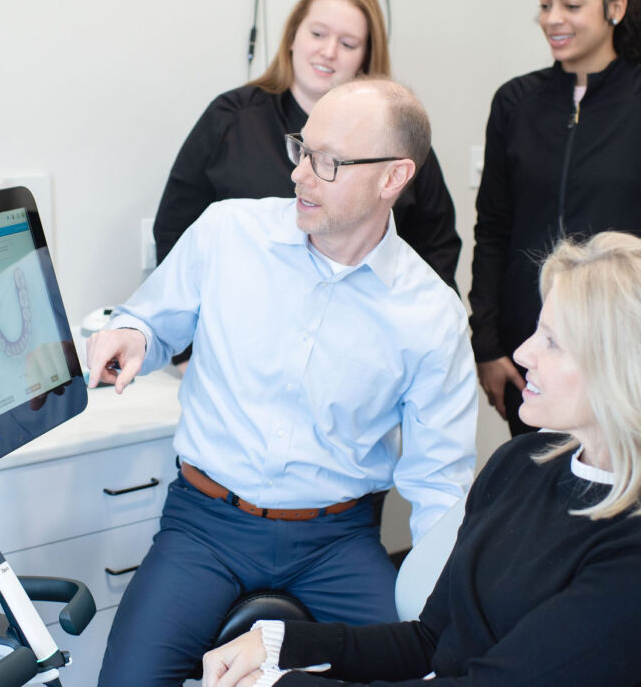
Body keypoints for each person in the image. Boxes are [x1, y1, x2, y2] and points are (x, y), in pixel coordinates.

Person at [87, 78, 477, 686]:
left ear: (393, 179)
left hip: (336, 542)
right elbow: (148, 320)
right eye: (303, 148)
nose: (299, 174)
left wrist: (444, 611)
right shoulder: (227, 234)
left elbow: (439, 486)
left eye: (328, 162)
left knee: (428, 675)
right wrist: (132, 335)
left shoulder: (431, 316)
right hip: (205, 527)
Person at [203, 230, 641, 687]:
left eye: (552, 342)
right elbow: (434, 641)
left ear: (616, 371)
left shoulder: (629, 555)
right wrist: (282, 645)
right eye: (537, 330)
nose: (523, 353)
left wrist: (280, 685)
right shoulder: (519, 464)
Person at [154, 0, 460, 296]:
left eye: (347, 43)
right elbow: (176, 230)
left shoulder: (392, 138)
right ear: (291, 37)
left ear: (366, 58)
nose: (328, 52)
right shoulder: (230, 119)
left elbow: (436, 246)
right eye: (317, 34)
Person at [470, 0, 641, 436]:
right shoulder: (515, 103)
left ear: (616, 6)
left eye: (571, 5)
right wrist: (489, 344)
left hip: (622, 353)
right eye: (545, 5)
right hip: (534, 357)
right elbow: (494, 230)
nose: (552, 19)